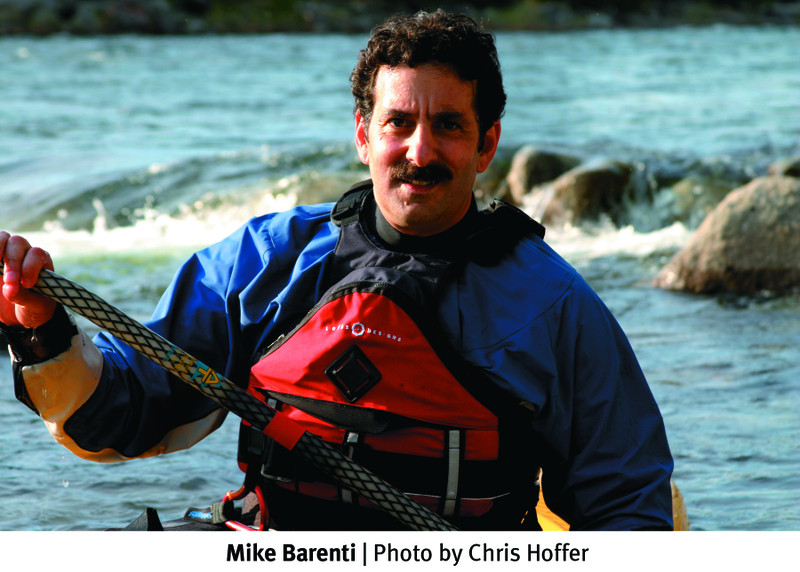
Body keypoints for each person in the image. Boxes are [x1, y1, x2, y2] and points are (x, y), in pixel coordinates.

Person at [0, 10, 673, 531]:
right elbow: (117, 416)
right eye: (398, 123)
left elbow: (627, 506)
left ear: (487, 144)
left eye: (448, 126)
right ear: (362, 135)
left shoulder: (552, 306)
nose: (419, 152)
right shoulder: (269, 262)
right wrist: (41, 328)